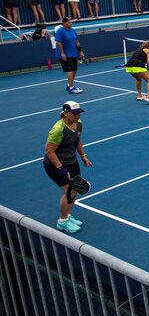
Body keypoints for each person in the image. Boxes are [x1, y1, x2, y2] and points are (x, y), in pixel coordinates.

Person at [43, 100, 93, 234]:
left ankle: (68, 216)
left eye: (79, 113)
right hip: (55, 165)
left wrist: (83, 156)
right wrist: (60, 168)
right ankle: (63, 221)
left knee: (74, 189)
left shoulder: (79, 124)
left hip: (72, 161)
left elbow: (77, 140)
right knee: (69, 191)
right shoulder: (58, 130)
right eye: (74, 113)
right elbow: (49, 151)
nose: (78, 116)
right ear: (65, 113)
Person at [54, 17, 85, 94]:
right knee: (70, 70)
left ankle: (69, 85)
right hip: (65, 55)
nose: (71, 23)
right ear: (64, 23)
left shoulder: (73, 30)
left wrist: (80, 51)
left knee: (74, 70)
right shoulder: (60, 31)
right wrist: (62, 53)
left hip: (73, 53)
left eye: (71, 22)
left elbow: (77, 41)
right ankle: (71, 88)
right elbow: (58, 43)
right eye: (69, 22)